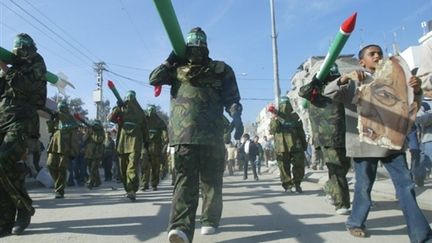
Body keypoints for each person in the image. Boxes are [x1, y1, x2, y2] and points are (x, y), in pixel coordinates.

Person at [323, 44, 432, 242]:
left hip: (392, 143)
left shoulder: (395, 78)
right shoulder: (355, 81)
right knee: (364, 187)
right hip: (364, 145)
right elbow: (329, 93)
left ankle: (421, 235)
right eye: (372, 54)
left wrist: (415, 89)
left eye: (380, 53)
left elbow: (410, 105)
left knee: (406, 187)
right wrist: (346, 77)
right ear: (362, 62)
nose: (377, 56)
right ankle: (355, 222)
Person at [149, 27, 243, 243]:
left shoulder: (220, 69)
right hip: (185, 136)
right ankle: (180, 229)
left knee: (210, 182)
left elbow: (232, 98)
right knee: (185, 183)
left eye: (200, 42)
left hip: (212, 136)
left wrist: (236, 115)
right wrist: (170, 59)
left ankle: (209, 220)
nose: (197, 47)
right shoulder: (176, 70)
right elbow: (154, 78)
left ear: (206, 45)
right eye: (193, 43)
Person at [0, 33, 47, 236]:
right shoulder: (13, 68)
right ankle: (5, 219)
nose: (18, 49)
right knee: (7, 170)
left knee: (3, 161)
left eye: (21, 46)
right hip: (3, 119)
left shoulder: (37, 62)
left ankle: (24, 209)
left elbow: (27, 86)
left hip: (22, 120)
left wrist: (5, 70)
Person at [299, 63, 351, 215]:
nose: (333, 74)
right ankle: (342, 204)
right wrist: (316, 80)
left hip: (345, 133)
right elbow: (303, 92)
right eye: (330, 72)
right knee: (336, 168)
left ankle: (331, 189)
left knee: (344, 166)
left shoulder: (341, 86)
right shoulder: (316, 90)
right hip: (326, 136)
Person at [108, 90, 149, 201]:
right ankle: (128, 189)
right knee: (123, 168)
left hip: (135, 142)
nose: (129, 99)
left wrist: (146, 142)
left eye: (131, 97)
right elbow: (111, 119)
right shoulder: (121, 109)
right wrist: (117, 107)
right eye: (128, 97)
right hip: (122, 142)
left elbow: (145, 128)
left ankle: (132, 190)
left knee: (132, 167)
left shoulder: (140, 112)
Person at [269, 96, 307, 193]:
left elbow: (301, 131)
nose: (285, 106)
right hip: (281, 147)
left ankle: (297, 184)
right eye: (283, 104)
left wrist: (304, 144)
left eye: (287, 104)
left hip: (296, 145)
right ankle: (288, 186)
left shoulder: (295, 116)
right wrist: (275, 117)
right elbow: (273, 130)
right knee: (283, 167)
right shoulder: (276, 116)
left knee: (299, 165)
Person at [46, 100, 79, 199]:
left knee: (62, 168)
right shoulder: (56, 118)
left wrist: (73, 151)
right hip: (54, 146)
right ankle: (57, 184)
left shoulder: (70, 120)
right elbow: (50, 130)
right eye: (59, 108)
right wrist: (51, 120)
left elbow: (73, 139)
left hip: (65, 147)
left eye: (62, 108)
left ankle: (60, 190)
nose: (60, 110)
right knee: (50, 165)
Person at [141, 104, 167, 191]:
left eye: (152, 110)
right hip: (145, 147)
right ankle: (144, 184)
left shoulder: (160, 121)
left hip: (156, 148)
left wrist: (165, 140)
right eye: (149, 110)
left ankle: (154, 184)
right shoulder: (144, 120)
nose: (150, 112)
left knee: (155, 167)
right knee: (145, 166)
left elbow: (165, 134)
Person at [83, 120, 105, 189]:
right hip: (89, 153)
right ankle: (97, 181)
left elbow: (98, 140)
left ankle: (90, 182)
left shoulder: (101, 132)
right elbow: (84, 139)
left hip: (97, 153)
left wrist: (94, 133)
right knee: (91, 169)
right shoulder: (90, 131)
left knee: (93, 168)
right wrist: (88, 133)